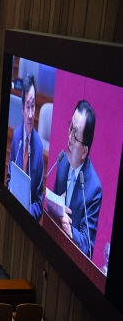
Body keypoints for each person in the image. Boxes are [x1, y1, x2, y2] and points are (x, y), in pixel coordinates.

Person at [52, 100, 102, 259]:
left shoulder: (94, 189)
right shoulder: (62, 164)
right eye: (70, 128)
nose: (69, 138)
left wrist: (69, 229)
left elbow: (87, 245)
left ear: (84, 152)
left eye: (75, 135)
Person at [7, 73, 45, 222]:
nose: (30, 114)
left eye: (33, 106)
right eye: (28, 107)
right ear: (22, 108)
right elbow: (9, 178)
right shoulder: (16, 137)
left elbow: (39, 203)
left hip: (27, 220)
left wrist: (25, 213)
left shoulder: (39, 147)